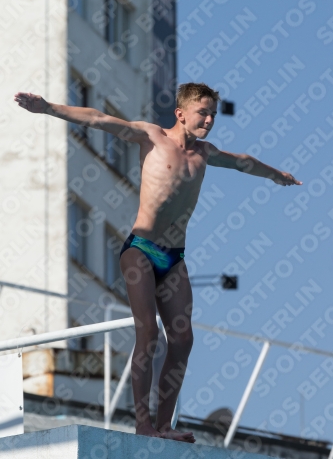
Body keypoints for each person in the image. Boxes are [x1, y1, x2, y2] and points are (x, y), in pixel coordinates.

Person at [14, 83, 302, 442]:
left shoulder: (206, 153)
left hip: (174, 258)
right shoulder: (151, 137)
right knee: (148, 333)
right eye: (203, 112)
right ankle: (143, 423)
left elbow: (243, 162)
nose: (210, 120)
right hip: (141, 250)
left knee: (182, 340)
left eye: (213, 113)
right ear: (180, 114)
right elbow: (99, 118)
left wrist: (276, 175)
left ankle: (165, 425)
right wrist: (48, 108)